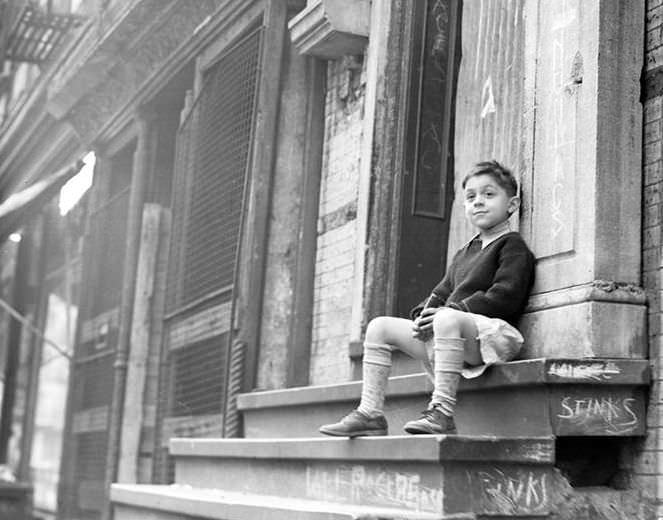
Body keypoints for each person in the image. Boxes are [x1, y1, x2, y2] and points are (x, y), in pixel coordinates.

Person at [319, 160, 536, 437]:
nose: (478, 202)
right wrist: (423, 316)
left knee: (445, 317)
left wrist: (453, 311)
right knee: (379, 327)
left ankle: (442, 412)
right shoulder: (464, 253)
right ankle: (370, 413)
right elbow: (441, 293)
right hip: (452, 334)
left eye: (489, 194)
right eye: (471, 197)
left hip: (490, 337)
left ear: (512, 204)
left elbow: (506, 296)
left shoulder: (512, 246)